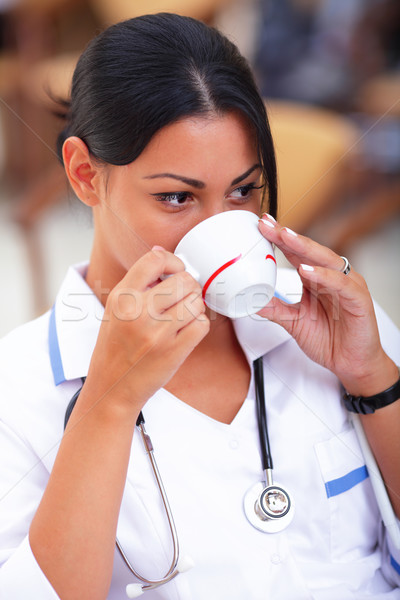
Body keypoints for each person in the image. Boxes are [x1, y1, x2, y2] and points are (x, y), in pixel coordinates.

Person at [0, 13, 399, 600]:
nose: (222, 229)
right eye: (176, 197)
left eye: (244, 190)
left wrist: (375, 381)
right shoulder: (19, 388)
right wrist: (108, 402)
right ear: (86, 175)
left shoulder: (336, 326)